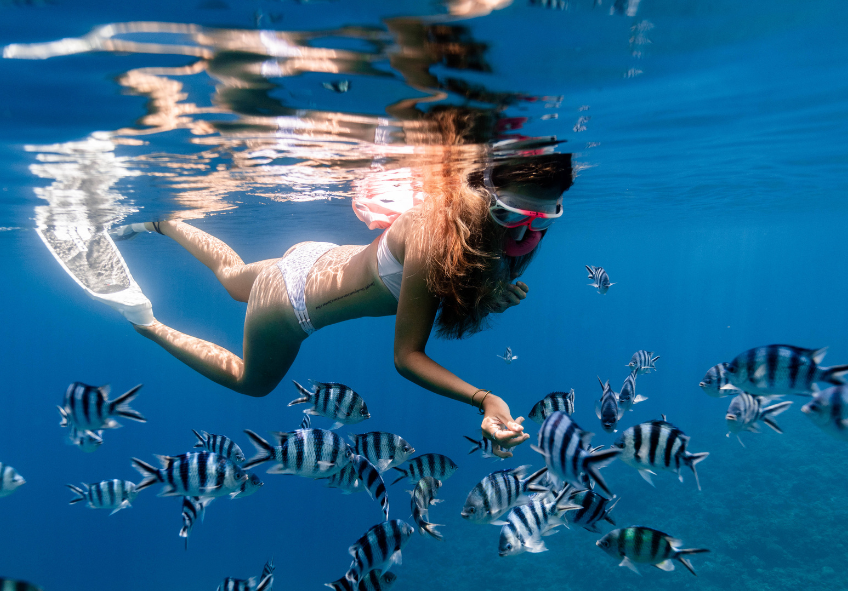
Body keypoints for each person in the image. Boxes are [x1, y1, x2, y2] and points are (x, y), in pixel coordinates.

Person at [107, 148, 571, 458]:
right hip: (291, 304)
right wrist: (486, 400)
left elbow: (451, 285)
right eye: (511, 215)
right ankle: (144, 321)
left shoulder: (498, 232)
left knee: (232, 279)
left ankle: (164, 224)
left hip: (315, 258)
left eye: (545, 217)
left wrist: (490, 297)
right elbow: (406, 358)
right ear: (481, 196)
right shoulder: (436, 234)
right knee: (250, 383)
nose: (525, 232)